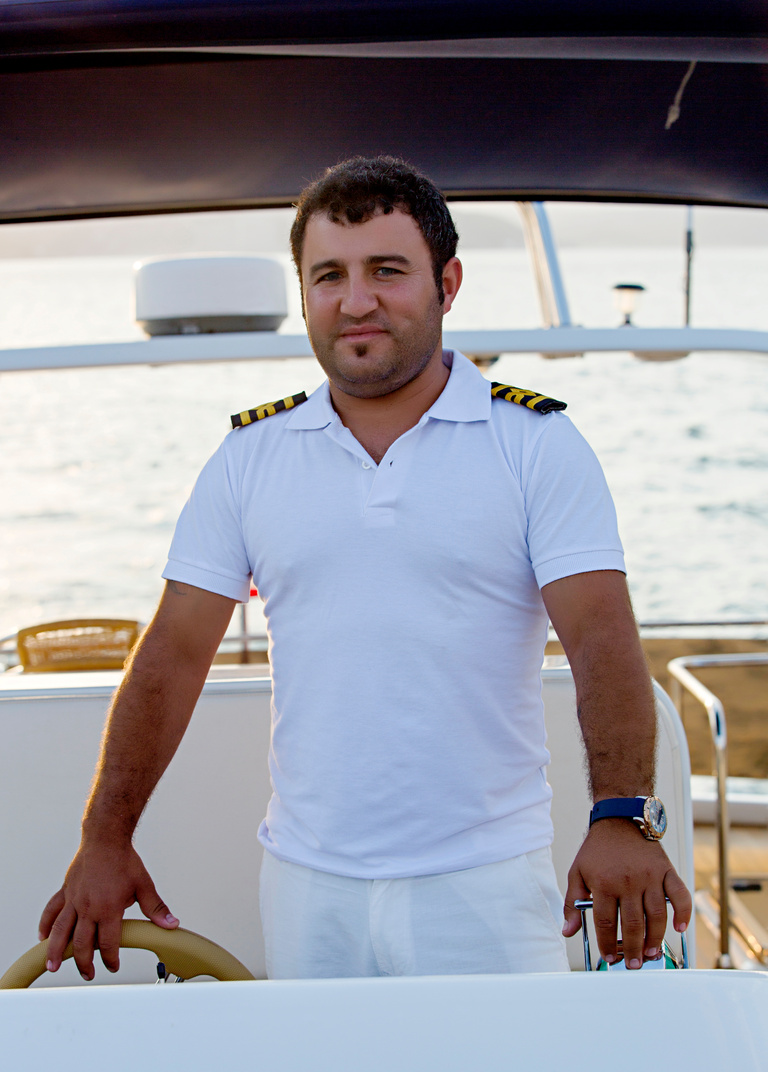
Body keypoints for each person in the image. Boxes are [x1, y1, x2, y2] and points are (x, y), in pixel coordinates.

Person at [40, 156, 691, 981]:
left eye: (388, 271)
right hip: (308, 885)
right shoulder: (249, 457)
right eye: (329, 276)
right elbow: (171, 656)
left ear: (447, 283)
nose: (356, 301)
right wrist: (105, 837)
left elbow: (602, 642)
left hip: (485, 882)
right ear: (304, 291)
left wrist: (624, 820)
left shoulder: (535, 444)